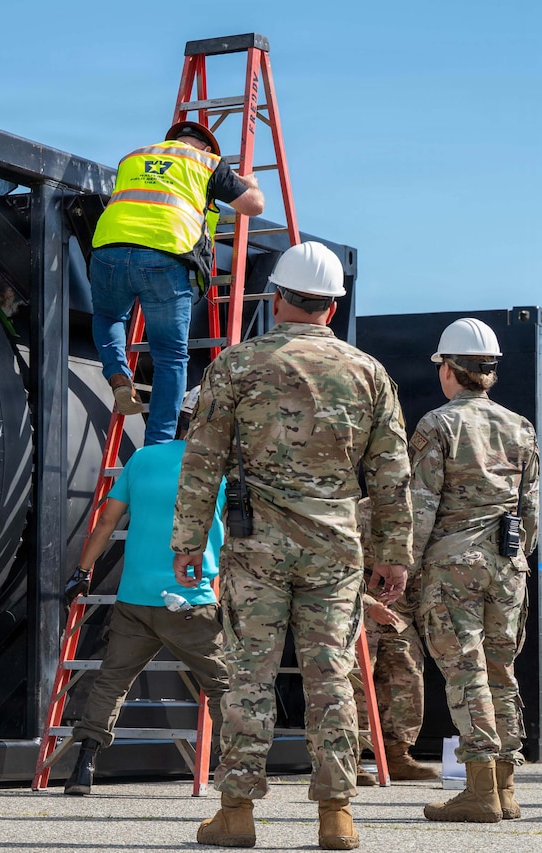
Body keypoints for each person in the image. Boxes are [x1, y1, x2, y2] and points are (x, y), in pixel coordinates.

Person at [169, 241, 412, 850]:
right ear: (332, 306)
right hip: (336, 546)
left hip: (257, 547)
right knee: (332, 672)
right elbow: (391, 473)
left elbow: (202, 461)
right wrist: (394, 554)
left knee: (248, 673)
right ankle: (337, 815)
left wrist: (190, 539)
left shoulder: (235, 365)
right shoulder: (368, 373)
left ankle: (236, 812)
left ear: (276, 298)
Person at [61, 388, 227, 796]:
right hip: (192, 599)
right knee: (226, 686)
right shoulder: (222, 469)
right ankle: (235, 769)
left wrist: (82, 572)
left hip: (134, 599)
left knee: (111, 682)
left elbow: (105, 525)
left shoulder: (142, 459)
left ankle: (83, 767)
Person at [411, 318, 539, 824]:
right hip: (509, 566)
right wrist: (515, 556)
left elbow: (420, 506)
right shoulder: (521, 426)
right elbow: (531, 511)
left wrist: (406, 567)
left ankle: (480, 788)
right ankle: (506, 788)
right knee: (502, 672)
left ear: (448, 370)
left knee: (466, 673)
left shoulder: (438, 425)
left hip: (453, 563)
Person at [89, 120, 264, 445]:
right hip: (167, 254)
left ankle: (118, 375)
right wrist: (247, 182)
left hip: (109, 247)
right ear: (207, 148)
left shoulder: (134, 157)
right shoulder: (207, 163)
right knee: (170, 356)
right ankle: (158, 443)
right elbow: (252, 206)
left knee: (109, 317)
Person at [350, 499, 438, 786]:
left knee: (407, 669)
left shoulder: (426, 517)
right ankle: (349, 758)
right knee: (356, 677)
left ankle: (396, 753)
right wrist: (367, 602)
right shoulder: (361, 513)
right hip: (355, 604)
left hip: (398, 612)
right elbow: (337, 570)